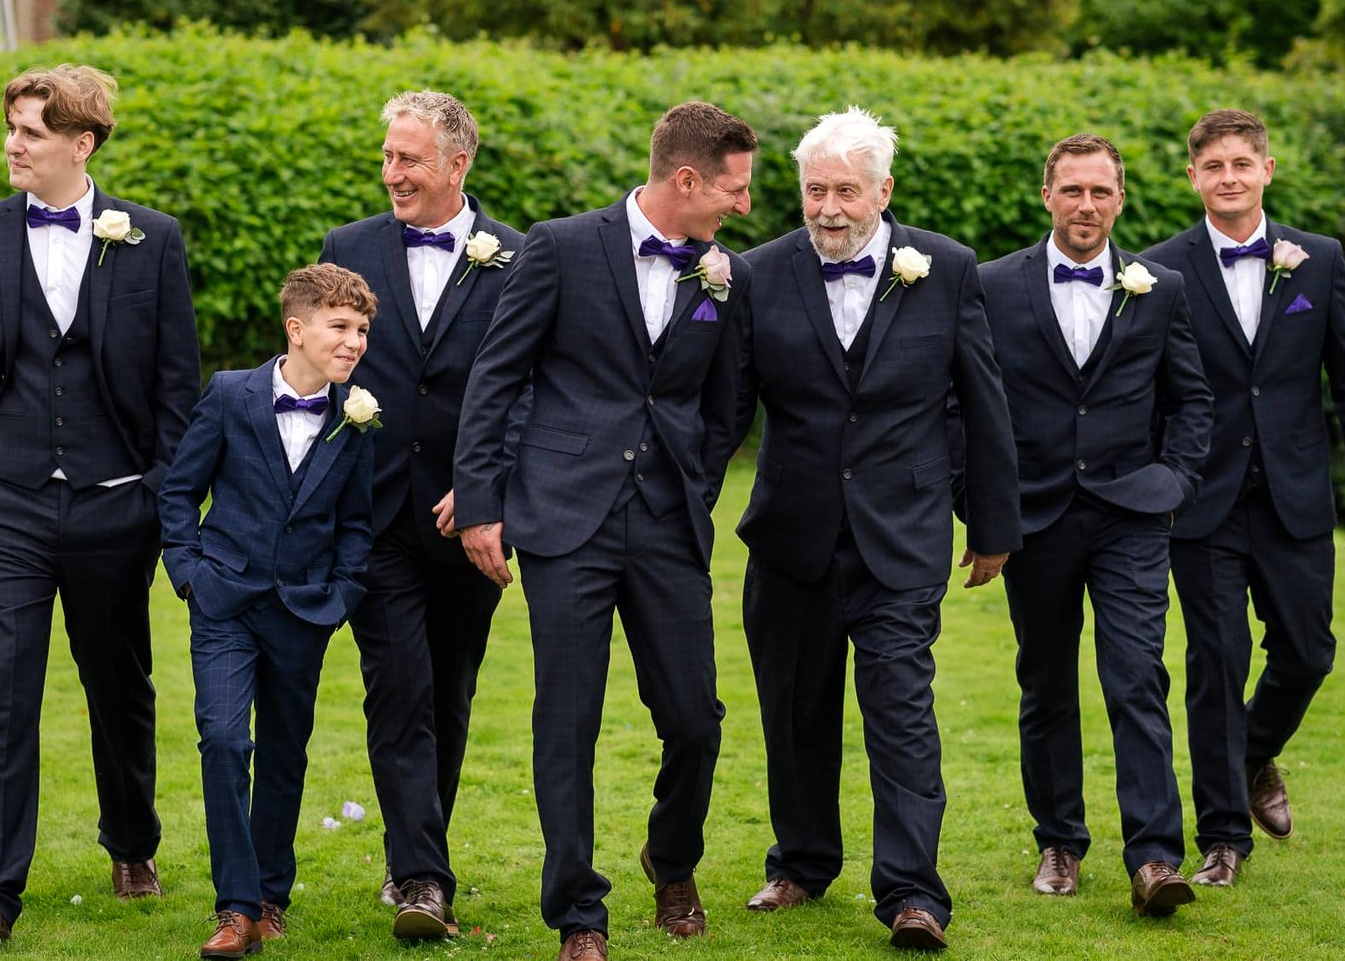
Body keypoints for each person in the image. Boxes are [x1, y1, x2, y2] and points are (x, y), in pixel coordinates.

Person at [452, 101, 757, 961]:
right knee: (569, 719)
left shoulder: (722, 274)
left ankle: (672, 856)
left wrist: (695, 483)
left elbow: (726, 400)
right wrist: (481, 502)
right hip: (565, 519)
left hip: (667, 523)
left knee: (696, 719)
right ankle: (578, 913)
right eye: (732, 188)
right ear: (686, 178)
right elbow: (498, 373)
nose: (741, 204)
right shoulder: (561, 245)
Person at [0, 64, 200, 952]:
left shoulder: (151, 240)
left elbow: (174, 384)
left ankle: (132, 841)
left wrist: (161, 492)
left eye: (31, 131)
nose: (13, 143)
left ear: (81, 144)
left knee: (119, 685)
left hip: (116, 502)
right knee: (0, 692)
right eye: (10, 128)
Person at [729, 108, 1021, 952]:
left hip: (903, 533)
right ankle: (800, 862)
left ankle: (912, 893)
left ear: (883, 191)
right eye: (814, 189)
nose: (827, 207)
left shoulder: (946, 268)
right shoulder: (757, 273)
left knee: (902, 712)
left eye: (845, 190)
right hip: (791, 535)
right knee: (795, 711)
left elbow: (982, 402)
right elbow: (726, 410)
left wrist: (992, 525)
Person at [1143, 109, 1345, 887]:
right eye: (1213, 166)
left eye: (1241, 164)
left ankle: (1251, 752)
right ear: (1193, 177)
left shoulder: (1317, 260)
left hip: (1295, 498)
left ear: (1267, 170)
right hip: (1201, 502)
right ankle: (1222, 841)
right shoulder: (1159, 268)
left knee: (1309, 650)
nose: (1228, 177)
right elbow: (1147, 393)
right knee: (1216, 662)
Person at [973, 133, 1211, 917]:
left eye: (1100, 192)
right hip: (1034, 517)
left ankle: (1153, 857)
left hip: (1131, 515)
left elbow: (1192, 399)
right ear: (1047, 194)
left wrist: (1173, 480)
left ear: (1120, 199)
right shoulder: (993, 284)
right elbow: (964, 402)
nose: (1086, 205)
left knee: (1137, 674)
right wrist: (982, 506)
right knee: (1045, 681)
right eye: (1072, 190)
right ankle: (1060, 843)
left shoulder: (1160, 286)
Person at [318, 91, 525, 939]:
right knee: (397, 686)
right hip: (373, 512)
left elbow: (534, 387)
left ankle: (419, 859)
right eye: (388, 157)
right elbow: (324, 362)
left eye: (409, 159)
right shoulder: (349, 249)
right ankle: (420, 878)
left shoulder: (518, 256)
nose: (392, 172)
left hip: (468, 522)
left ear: (457, 164)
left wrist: (489, 483)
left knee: (450, 688)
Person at [159, 264, 378, 959]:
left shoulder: (358, 417)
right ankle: (234, 907)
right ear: (298, 328)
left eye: (362, 330)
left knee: (285, 752)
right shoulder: (230, 394)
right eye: (340, 327)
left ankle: (271, 897)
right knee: (225, 739)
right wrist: (189, 574)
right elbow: (178, 491)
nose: (354, 341)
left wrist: (342, 595)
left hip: (305, 609)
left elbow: (358, 523)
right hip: (223, 598)